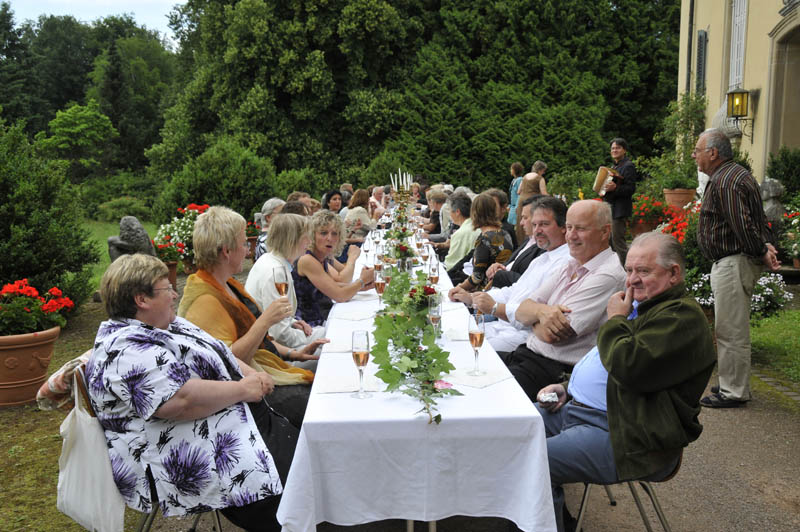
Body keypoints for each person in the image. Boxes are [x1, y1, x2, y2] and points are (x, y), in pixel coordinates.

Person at [86, 253, 289, 531]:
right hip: (166, 454)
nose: (174, 294)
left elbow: (218, 350)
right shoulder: (125, 350)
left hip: (224, 422)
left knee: (301, 454)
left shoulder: (166, 324)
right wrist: (242, 389)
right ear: (141, 300)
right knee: (287, 487)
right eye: (167, 288)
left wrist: (250, 375)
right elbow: (179, 401)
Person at [533, 233, 716, 532]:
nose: (632, 280)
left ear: (673, 273)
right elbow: (609, 367)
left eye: (643, 271)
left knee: (533, 463)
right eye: (629, 270)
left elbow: (629, 366)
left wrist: (616, 320)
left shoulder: (681, 317)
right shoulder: (646, 306)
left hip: (627, 436)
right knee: (514, 427)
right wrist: (568, 388)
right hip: (583, 412)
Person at [178, 207, 324, 427]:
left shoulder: (226, 284)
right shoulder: (205, 300)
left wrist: (295, 353)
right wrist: (265, 321)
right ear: (226, 251)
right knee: (316, 405)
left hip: (262, 372)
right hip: (245, 393)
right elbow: (227, 363)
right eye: (244, 243)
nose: (248, 251)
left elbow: (260, 342)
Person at [502, 200, 626, 402]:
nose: (571, 236)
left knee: (486, 394)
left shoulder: (608, 275)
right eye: (569, 227)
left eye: (580, 229)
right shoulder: (571, 264)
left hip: (554, 372)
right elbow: (521, 310)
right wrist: (543, 312)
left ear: (605, 232)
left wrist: (533, 315)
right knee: (468, 368)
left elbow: (551, 335)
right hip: (526, 355)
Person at [694, 128, 780, 408]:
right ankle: (731, 382)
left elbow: (742, 224)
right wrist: (765, 245)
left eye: (698, 150)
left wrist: (761, 250)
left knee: (731, 330)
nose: (695, 155)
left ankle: (733, 391)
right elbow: (757, 219)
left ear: (713, 153)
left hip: (733, 262)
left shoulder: (726, 181)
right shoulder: (735, 174)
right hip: (734, 261)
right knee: (729, 327)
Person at [451, 197, 571, 353]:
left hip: (523, 338)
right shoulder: (542, 258)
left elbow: (530, 311)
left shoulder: (566, 262)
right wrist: (472, 298)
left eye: (544, 224)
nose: (537, 230)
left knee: (460, 349)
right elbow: (514, 290)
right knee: (451, 335)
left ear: (563, 227)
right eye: (535, 225)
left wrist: (494, 307)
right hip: (502, 326)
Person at [245, 213, 326, 352]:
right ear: (292, 240)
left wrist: (294, 322)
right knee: (332, 339)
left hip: (269, 341)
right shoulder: (276, 272)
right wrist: (310, 336)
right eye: (305, 237)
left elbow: (277, 318)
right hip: (272, 351)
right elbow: (279, 334)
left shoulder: (268, 259)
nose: (309, 241)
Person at [294, 210, 375, 327]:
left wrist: (362, 286)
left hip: (325, 315)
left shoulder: (322, 256)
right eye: (323, 233)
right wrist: (361, 281)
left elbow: (333, 285)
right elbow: (340, 296)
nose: (329, 238)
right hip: (311, 325)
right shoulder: (307, 259)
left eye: (334, 234)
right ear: (312, 235)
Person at [450, 193, 513, 292]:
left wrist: (458, 288)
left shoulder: (484, 239)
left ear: (475, 214)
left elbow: (477, 278)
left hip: (485, 291)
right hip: (502, 287)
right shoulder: (505, 233)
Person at [485, 195, 546, 289]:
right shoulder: (529, 240)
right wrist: (497, 266)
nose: (521, 223)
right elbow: (511, 263)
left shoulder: (543, 247)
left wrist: (500, 274)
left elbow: (529, 283)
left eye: (525, 218)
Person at [602, 138, 638, 265]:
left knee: (618, 243)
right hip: (612, 208)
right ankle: (615, 269)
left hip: (620, 209)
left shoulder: (628, 166)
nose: (614, 150)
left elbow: (630, 189)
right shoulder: (614, 167)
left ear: (624, 150)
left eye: (618, 148)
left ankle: (628, 269)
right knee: (610, 242)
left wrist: (615, 188)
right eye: (613, 148)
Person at [442, 193, 481, 270]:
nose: (449, 213)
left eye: (449, 210)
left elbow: (451, 264)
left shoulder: (461, 233)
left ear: (457, 212)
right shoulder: (477, 225)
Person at [515, 161, 548, 244]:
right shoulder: (540, 178)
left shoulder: (525, 176)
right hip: (532, 202)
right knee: (531, 221)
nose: (543, 173)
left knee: (521, 221)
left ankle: (521, 242)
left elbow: (518, 191)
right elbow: (544, 193)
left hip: (521, 201)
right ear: (540, 170)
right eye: (543, 171)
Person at [254, 198, 285, 262]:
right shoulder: (268, 239)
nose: (286, 216)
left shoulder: (268, 236)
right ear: (268, 217)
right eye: (282, 213)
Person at [507, 162, 526, 226]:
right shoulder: (513, 180)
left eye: (511, 169)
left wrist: (517, 206)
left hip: (516, 207)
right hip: (512, 207)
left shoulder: (520, 180)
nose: (510, 170)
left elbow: (520, 194)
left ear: (515, 170)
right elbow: (511, 194)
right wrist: (509, 206)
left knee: (515, 225)